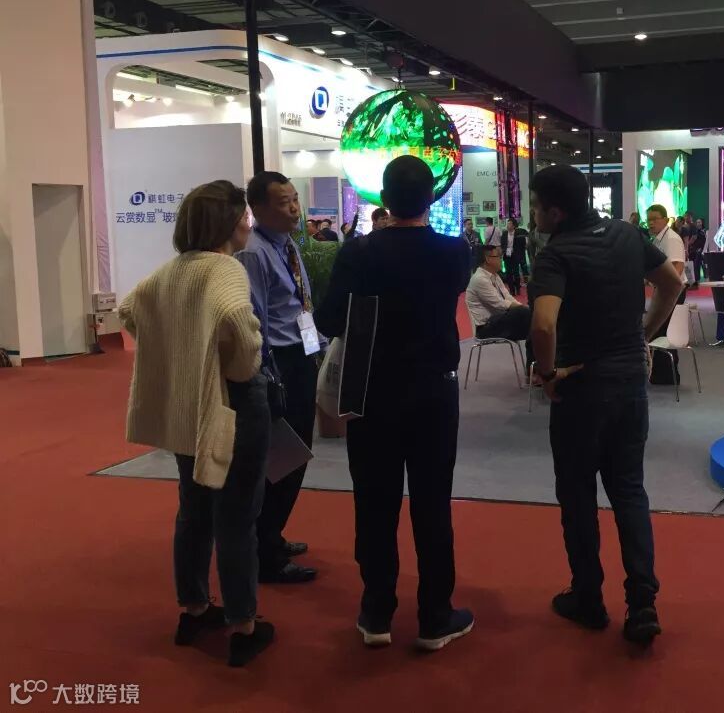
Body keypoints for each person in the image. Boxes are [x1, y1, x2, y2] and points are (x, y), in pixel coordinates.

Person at [315, 155, 474, 652]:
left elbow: (328, 320)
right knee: (433, 503)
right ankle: (435, 615)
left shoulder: (359, 252)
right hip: (433, 391)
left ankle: (376, 611)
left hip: (372, 391)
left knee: (374, 502)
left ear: (382, 198)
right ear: (433, 197)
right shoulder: (454, 252)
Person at [119, 181, 274, 667]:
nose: (248, 223)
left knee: (194, 509)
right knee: (237, 515)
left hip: (189, 403)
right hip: (233, 401)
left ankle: (194, 609)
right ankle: (243, 625)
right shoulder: (226, 268)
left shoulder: (171, 270)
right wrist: (240, 363)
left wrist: (182, 351)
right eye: (244, 216)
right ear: (229, 223)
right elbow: (239, 327)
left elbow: (129, 311)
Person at [529, 165, 682, 646]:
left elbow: (543, 325)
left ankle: (588, 598)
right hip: (629, 383)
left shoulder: (555, 255)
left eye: (535, 206)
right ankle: (642, 603)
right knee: (629, 491)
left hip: (580, 388)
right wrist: (643, 335)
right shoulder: (626, 234)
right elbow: (671, 284)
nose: (533, 215)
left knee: (577, 497)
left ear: (555, 211)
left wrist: (547, 374)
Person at [235, 171, 319, 584]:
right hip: (278, 364)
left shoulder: (286, 245)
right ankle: (265, 551)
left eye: (295, 200)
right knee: (283, 458)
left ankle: (273, 536)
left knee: (295, 454)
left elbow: (297, 304)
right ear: (258, 209)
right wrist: (269, 376)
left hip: (301, 356)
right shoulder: (254, 253)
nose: (294, 209)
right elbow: (256, 319)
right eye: (284, 203)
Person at [645, 204, 686, 384]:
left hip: (672, 291)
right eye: (649, 220)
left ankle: (667, 375)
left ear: (666, 220)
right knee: (658, 331)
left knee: (663, 332)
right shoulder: (657, 240)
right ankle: (661, 374)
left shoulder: (671, 239)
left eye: (655, 219)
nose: (651, 223)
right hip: (664, 289)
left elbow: (678, 266)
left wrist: (668, 286)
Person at [466, 245, 531, 343]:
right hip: (485, 328)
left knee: (529, 319)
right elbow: (500, 304)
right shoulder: (479, 279)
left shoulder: (495, 276)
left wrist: (523, 307)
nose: (501, 260)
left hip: (496, 320)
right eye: (499, 257)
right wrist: (523, 309)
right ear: (488, 259)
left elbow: (507, 297)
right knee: (525, 315)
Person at [501, 216, 529, 295]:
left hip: (515, 256)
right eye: (507, 224)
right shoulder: (504, 233)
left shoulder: (518, 233)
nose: (508, 225)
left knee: (516, 273)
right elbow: (502, 244)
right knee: (508, 273)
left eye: (509, 224)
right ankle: (511, 290)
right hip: (507, 256)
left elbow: (523, 244)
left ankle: (518, 288)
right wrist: (503, 250)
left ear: (513, 226)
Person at [687, 218, 707, 288]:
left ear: (702, 223)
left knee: (703, 265)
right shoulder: (695, 231)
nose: (698, 224)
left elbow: (705, 241)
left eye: (699, 222)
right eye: (697, 222)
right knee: (695, 265)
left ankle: (705, 278)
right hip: (695, 251)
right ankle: (696, 280)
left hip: (702, 250)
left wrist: (702, 249)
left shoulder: (705, 231)